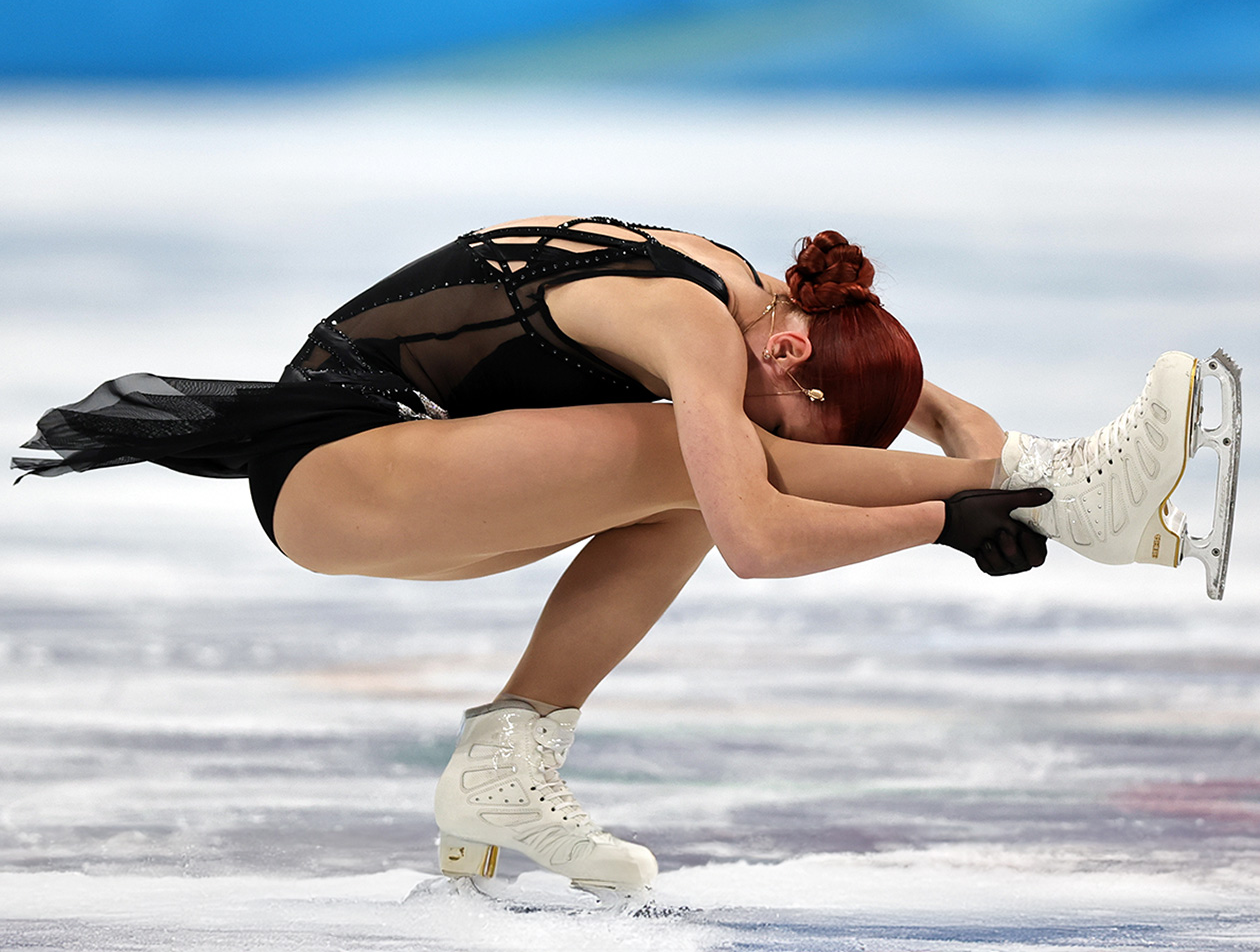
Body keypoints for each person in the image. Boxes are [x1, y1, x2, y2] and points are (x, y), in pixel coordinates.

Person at [13, 216, 1200, 896]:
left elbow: (924, 418)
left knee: (700, 465)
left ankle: (505, 757)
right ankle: (1079, 502)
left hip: (424, 481)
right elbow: (759, 540)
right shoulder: (692, 324)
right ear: (792, 354)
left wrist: (983, 453)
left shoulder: (770, 318)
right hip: (340, 472)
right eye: (789, 409)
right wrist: (950, 517)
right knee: (710, 465)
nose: (771, 421)